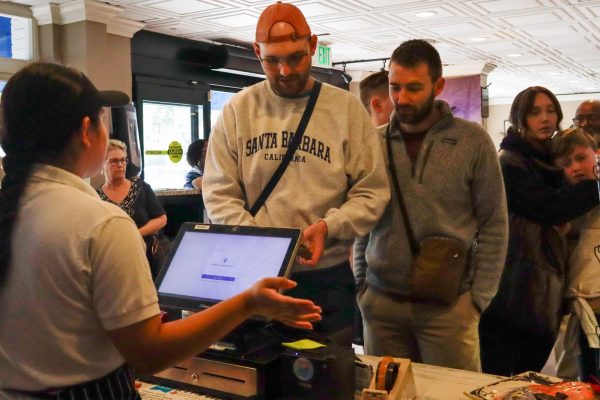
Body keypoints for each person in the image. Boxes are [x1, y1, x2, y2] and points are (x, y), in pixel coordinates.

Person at [0, 62, 321, 396]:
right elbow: (150, 354)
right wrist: (246, 303)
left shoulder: (16, 209)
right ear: (85, 130)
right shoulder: (102, 224)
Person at [202, 1, 389, 344]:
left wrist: (328, 227)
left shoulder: (346, 109)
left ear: (313, 46)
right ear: (257, 51)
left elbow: (372, 192)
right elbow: (218, 193)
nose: (285, 70)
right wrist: (263, 248)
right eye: (272, 60)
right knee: (252, 380)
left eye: (295, 57)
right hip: (252, 278)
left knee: (325, 384)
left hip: (325, 280)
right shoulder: (237, 110)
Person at [353, 39, 508, 372]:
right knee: (387, 396)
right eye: (395, 87)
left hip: (448, 307)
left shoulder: (473, 141)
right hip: (381, 305)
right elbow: (362, 217)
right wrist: (362, 286)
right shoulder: (373, 143)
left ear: (438, 86)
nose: (402, 98)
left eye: (414, 88)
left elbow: (494, 223)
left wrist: (476, 301)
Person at [480, 87, 600, 376]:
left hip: (543, 293)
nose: (545, 118)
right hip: (512, 292)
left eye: (550, 110)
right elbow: (550, 208)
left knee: (529, 377)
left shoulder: (548, 160)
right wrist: (595, 186)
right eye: (535, 112)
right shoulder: (511, 161)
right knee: (502, 377)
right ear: (520, 118)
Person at [551, 127, 600, 383]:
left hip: (596, 299)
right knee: (584, 379)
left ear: (596, 154)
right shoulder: (562, 208)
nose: (576, 167)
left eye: (581, 158)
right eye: (566, 164)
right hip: (579, 304)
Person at [97, 139, 167, 279]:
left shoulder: (141, 188)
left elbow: (161, 219)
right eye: (114, 161)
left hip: (146, 257)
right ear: (102, 165)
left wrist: (135, 234)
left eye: (123, 160)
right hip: (112, 261)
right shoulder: (96, 197)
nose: (121, 165)